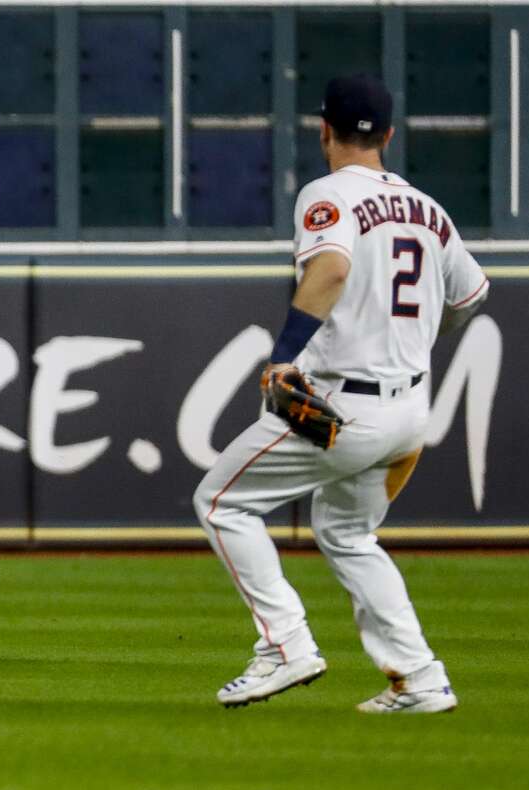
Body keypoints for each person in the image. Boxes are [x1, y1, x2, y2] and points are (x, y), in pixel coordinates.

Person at [193, 75, 489, 713]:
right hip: (409, 409)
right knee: (349, 533)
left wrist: (283, 356)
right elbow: (471, 295)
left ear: (323, 130)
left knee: (220, 501)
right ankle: (419, 677)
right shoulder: (429, 209)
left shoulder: (326, 193)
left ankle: (285, 645)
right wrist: (407, 342)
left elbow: (330, 267)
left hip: (341, 409)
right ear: (387, 135)